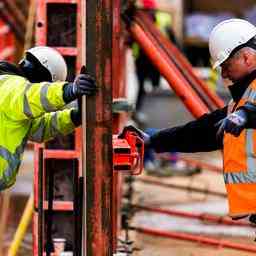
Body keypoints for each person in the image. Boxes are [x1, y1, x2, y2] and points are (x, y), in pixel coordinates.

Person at [121, 19, 256, 222]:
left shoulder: (247, 104)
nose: (224, 73)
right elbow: (202, 132)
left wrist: (247, 115)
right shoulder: (243, 100)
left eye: (226, 65)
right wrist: (153, 140)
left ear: (247, 58)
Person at [0, 46, 97, 190]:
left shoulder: (10, 94)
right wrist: (69, 91)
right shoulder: (11, 87)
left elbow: (39, 128)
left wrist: (74, 117)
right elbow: (35, 96)